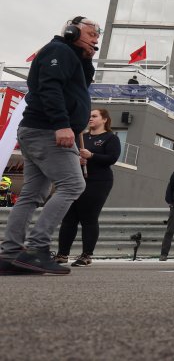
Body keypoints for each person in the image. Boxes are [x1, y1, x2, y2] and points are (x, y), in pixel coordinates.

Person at [0, 16, 101, 275]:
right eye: (91, 33)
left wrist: (86, 59)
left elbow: (81, 86)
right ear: (71, 31)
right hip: (48, 130)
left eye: (97, 36)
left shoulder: (71, 56)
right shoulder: (58, 50)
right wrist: (61, 125)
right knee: (73, 184)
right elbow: (50, 88)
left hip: (39, 130)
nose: (95, 39)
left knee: (32, 194)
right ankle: (37, 249)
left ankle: (11, 254)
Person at [55, 108, 121, 267]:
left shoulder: (111, 138)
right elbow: (68, 155)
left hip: (98, 181)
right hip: (76, 180)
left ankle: (86, 255)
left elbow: (112, 158)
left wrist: (92, 156)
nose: (90, 119)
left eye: (94, 116)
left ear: (104, 119)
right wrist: (77, 159)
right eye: (89, 116)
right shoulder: (81, 137)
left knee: (89, 217)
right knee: (69, 217)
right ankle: (62, 254)